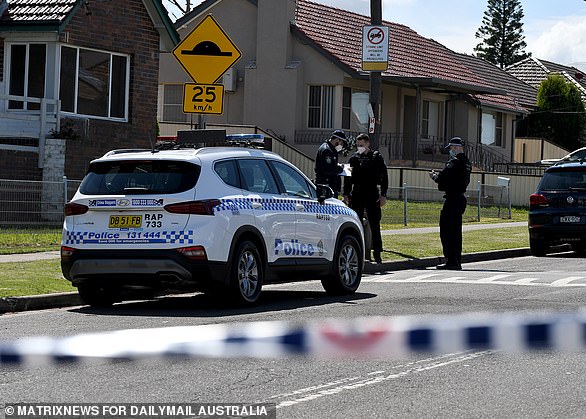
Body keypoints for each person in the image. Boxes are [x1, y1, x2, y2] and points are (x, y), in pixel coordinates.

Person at [342, 133, 388, 263]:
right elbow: (348, 178)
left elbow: (384, 177)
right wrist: (346, 193)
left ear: (368, 144)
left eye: (361, 145)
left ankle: (377, 252)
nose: (359, 147)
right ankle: (359, 252)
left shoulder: (376, 157)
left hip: (372, 193)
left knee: (375, 224)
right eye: (358, 145)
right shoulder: (354, 158)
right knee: (356, 223)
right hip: (357, 194)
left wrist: (383, 194)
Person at [429, 136, 472, 270]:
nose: (450, 151)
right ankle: (456, 259)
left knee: (447, 230)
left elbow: (443, 178)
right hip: (460, 198)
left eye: (452, 148)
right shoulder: (467, 162)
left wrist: (434, 176)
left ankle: (451, 260)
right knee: (456, 231)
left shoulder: (454, 162)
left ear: (456, 148)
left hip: (452, 199)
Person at [314, 129, 348, 196]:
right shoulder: (327, 150)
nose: (342, 145)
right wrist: (340, 169)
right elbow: (328, 169)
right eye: (342, 143)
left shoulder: (330, 148)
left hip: (328, 185)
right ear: (337, 140)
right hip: (326, 185)